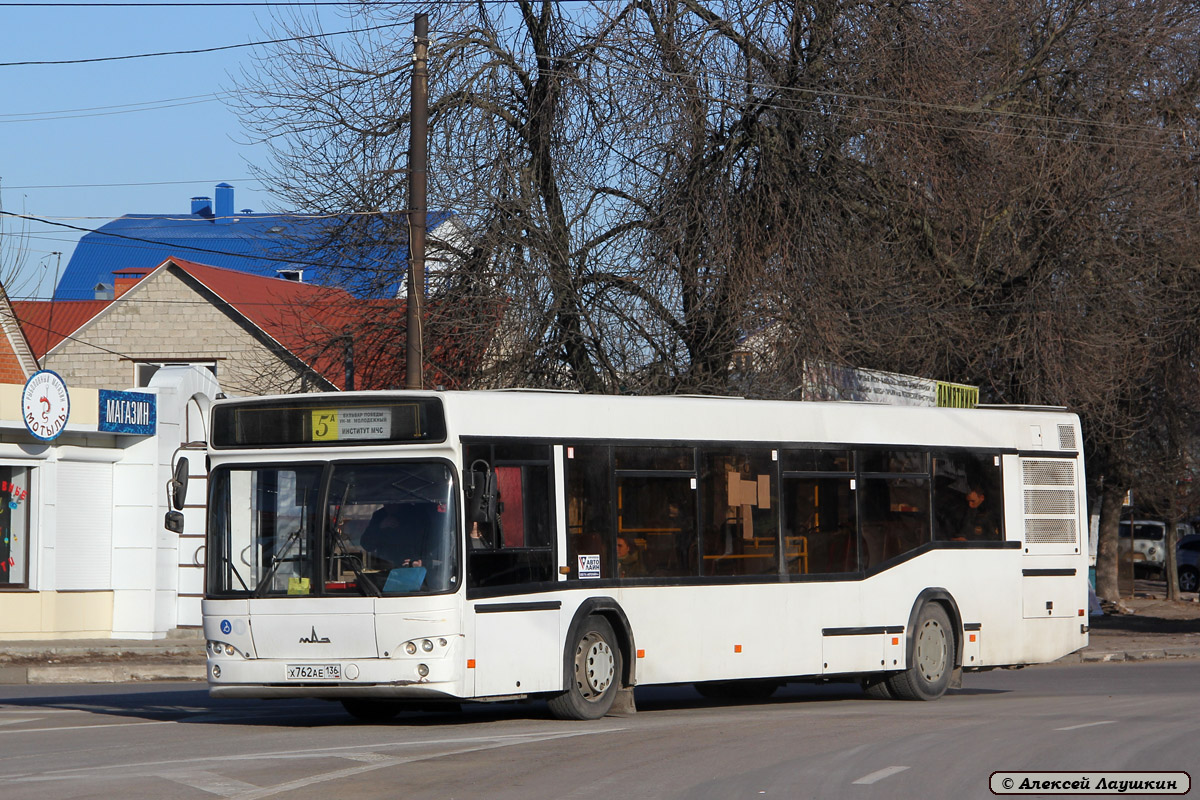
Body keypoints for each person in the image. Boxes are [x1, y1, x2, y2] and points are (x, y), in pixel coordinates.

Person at [361, 503, 427, 567]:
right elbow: (366, 544)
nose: (389, 506)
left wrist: (418, 560)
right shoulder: (379, 516)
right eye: (386, 502)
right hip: (385, 566)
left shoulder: (415, 514)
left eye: (392, 502)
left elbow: (427, 541)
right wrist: (380, 527)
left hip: (410, 565)